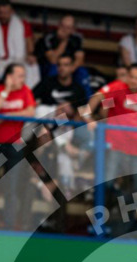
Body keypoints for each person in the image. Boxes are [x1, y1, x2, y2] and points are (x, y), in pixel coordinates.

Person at [83, 62, 137, 236]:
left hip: (136, 150)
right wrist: (88, 116)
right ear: (127, 77)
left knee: (135, 188)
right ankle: (98, 223)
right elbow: (98, 96)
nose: (135, 81)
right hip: (116, 146)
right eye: (132, 77)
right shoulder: (118, 87)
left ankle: (124, 229)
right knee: (107, 183)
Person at [0, 62, 35, 230]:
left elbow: (30, 112)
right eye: (19, 75)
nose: (23, 79)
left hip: (15, 145)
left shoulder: (25, 91)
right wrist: (6, 90)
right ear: (9, 76)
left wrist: (7, 116)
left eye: (23, 76)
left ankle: (9, 223)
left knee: (11, 185)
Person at [32, 53, 88, 195]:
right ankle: (40, 178)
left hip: (66, 128)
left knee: (66, 158)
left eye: (66, 65)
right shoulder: (48, 83)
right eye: (60, 65)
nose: (62, 68)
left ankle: (60, 184)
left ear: (72, 67)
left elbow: (82, 114)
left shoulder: (78, 89)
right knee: (44, 128)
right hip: (45, 125)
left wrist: (71, 112)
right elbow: (32, 101)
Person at [0, 0, 39, 98]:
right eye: (1, 13)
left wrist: (30, 55)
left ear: (12, 12)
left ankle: (30, 98)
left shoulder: (23, 24)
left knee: (32, 65)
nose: (3, 16)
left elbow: (29, 45)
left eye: (6, 13)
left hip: (18, 60)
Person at [37, 13, 86, 84]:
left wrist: (70, 69)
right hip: (51, 66)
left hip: (69, 67)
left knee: (82, 71)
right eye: (62, 26)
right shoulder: (49, 37)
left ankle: (85, 94)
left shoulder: (77, 38)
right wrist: (64, 41)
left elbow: (80, 59)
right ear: (58, 25)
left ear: (73, 30)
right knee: (53, 69)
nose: (64, 30)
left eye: (68, 28)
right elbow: (53, 60)